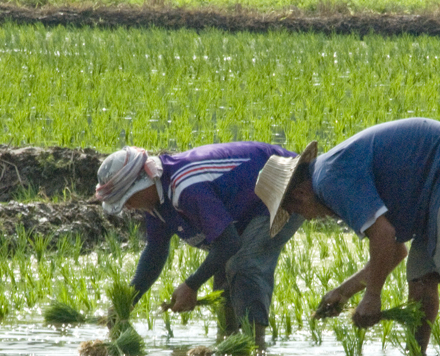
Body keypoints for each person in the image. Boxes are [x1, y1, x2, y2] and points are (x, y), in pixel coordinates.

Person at [254, 118, 440, 356]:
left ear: (299, 194)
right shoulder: (327, 177)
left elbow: (384, 235)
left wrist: (372, 296)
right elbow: (395, 249)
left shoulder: (330, 181)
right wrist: (344, 291)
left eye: (295, 211)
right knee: (421, 278)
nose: (304, 218)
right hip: (431, 186)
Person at [93, 142, 303, 345]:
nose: (128, 207)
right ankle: (228, 341)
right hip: (247, 200)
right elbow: (155, 251)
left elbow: (229, 243)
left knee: (243, 265)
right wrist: (128, 301)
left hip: (286, 182)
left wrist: (191, 285)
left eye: (127, 199)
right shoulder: (155, 201)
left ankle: (255, 348)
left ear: (143, 184)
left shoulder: (186, 187)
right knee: (223, 280)